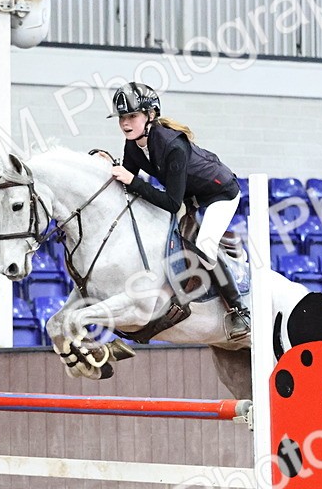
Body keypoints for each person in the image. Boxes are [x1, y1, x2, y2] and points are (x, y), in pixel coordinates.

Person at [105, 82, 250, 341]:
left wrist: (131, 180)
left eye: (132, 116)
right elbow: (128, 187)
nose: (125, 123)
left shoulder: (173, 146)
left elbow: (169, 202)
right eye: (122, 118)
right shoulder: (132, 145)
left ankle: (238, 309)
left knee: (204, 245)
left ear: (150, 115)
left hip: (220, 193)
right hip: (188, 195)